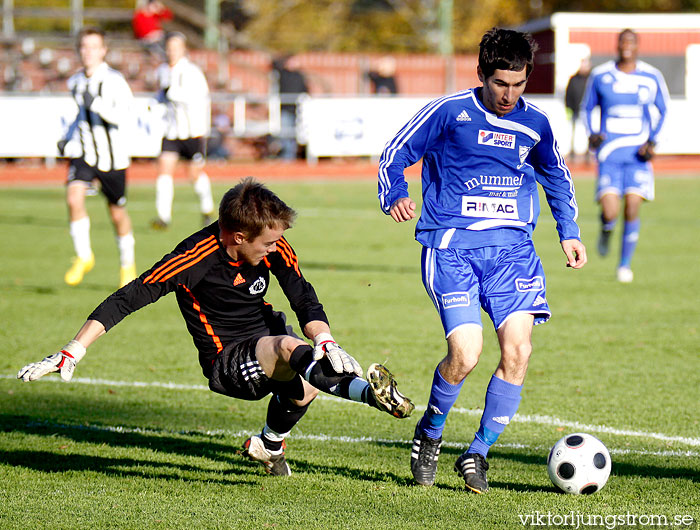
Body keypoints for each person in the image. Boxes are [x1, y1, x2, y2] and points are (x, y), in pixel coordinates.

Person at [17, 178, 414, 476]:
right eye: (269, 244)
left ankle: (269, 446)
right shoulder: (194, 258)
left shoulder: (270, 239)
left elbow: (301, 293)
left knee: (304, 388)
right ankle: (370, 396)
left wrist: (323, 338)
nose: (276, 249)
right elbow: (130, 296)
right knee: (289, 352)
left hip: (267, 332)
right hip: (226, 358)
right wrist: (74, 349)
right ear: (238, 237)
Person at [377, 28, 586, 493]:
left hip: (513, 252)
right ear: (481, 74)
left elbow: (556, 175)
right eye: (500, 84)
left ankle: (477, 454)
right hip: (451, 249)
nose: (509, 94)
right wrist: (394, 192)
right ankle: (429, 434)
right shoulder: (450, 113)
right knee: (466, 355)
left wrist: (568, 233)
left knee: (519, 351)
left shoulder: (537, 124)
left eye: (519, 84)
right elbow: (395, 153)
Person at [583, 29, 669, 283]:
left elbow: (663, 110)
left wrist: (653, 141)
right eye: (623, 42)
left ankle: (624, 265)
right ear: (617, 45)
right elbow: (588, 107)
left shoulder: (651, 76)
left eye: (631, 42)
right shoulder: (601, 76)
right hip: (610, 154)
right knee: (611, 211)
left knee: (632, 206)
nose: (626, 46)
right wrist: (593, 134)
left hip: (637, 155)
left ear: (638, 46)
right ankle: (606, 229)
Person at [57, 27, 136, 288]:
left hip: (112, 158)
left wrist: (97, 104)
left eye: (94, 47)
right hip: (84, 153)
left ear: (103, 50)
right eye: (84, 47)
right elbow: (80, 116)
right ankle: (83, 256)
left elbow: (124, 116)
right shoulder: (76, 81)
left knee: (117, 214)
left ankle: (127, 264)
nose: (88, 52)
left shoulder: (114, 80)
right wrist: (67, 137)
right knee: (73, 196)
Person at [151, 32, 215, 230]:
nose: (172, 52)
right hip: (171, 131)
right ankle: (163, 217)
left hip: (193, 131)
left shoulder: (192, 72)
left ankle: (207, 208)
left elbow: (199, 98)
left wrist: (173, 93)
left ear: (183, 49)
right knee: (164, 170)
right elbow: (161, 95)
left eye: (176, 48)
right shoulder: (162, 70)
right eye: (169, 48)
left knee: (194, 173)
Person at [271, 55, 308, 160]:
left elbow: (305, 90)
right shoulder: (283, 74)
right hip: (286, 109)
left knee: (294, 135)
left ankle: (291, 157)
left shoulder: (300, 76)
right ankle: (286, 157)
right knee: (285, 134)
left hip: (297, 110)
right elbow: (273, 63)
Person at [564, 56, 591, 161]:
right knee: (573, 133)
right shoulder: (574, 79)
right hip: (575, 110)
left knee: (586, 133)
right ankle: (572, 152)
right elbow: (568, 94)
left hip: (588, 111)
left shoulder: (591, 79)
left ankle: (588, 154)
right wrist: (568, 108)